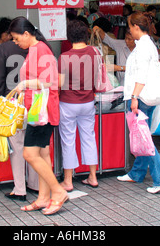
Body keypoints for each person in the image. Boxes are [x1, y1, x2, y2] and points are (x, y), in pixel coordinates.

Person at [10, 16, 68, 216]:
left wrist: (24, 85)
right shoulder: (37, 49)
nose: (16, 43)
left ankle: (58, 192)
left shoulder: (40, 50)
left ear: (26, 34)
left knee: (29, 154)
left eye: (17, 39)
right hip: (41, 110)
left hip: (41, 112)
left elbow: (49, 81)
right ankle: (43, 198)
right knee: (43, 154)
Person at [116, 12, 160, 194]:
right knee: (142, 135)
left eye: (130, 27)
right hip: (147, 96)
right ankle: (137, 173)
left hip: (142, 97)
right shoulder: (148, 44)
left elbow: (141, 76)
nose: (129, 30)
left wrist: (134, 97)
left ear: (136, 27)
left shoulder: (144, 47)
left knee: (145, 140)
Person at [0, 23, 39, 201]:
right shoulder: (40, 46)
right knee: (33, 144)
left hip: (13, 105)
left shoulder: (5, 47)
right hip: (35, 103)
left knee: (17, 146)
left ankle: (20, 189)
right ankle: (35, 184)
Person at [58, 20, 99, 192]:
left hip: (68, 102)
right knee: (89, 137)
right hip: (88, 101)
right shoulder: (94, 52)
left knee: (68, 140)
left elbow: (59, 83)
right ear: (86, 34)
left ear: (69, 37)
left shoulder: (64, 57)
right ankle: (93, 176)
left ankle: (68, 180)